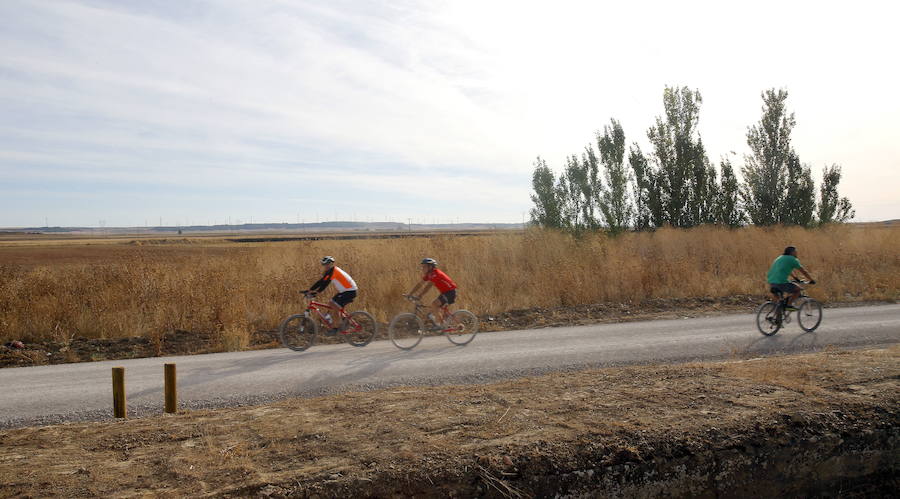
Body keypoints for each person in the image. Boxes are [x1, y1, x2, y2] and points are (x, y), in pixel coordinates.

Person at [302, 256, 358, 332]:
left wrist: (317, 292)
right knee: (331, 303)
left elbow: (325, 284)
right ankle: (345, 321)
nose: (326, 266)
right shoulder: (330, 271)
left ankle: (336, 328)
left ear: (331, 264)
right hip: (345, 291)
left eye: (327, 264)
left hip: (350, 291)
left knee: (335, 307)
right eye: (324, 265)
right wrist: (310, 290)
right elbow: (321, 281)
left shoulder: (334, 271)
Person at [406, 257, 457, 327]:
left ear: (430, 267)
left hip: (450, 292)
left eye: (424, 266)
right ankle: (442, 324)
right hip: (444, 292)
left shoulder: (436, 274)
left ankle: (443, 325)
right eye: (422, 267)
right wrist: (410, 293)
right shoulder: (429, 274)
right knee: (433, 308)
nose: (422, 268)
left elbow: (428, 286)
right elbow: (420, 284)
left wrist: (420, 295)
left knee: (434, 304)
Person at [766, 246, 815, 311]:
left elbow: (786, 269)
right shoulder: (793, 259)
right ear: (792, 252)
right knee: (798, 290)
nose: (797, 254)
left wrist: (795, 278)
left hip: (771, 282)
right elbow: (804, 271)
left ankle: (777, 319)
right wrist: (811, 280)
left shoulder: (780, 258)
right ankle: (789, 305)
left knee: (780, 303)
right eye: (796, 252)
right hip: (781, 282)